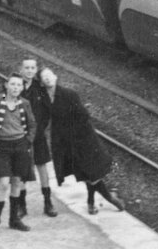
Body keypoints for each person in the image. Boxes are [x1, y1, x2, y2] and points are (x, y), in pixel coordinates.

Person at [41, 68, 123, 214]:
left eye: (49, 75)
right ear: (41, 82)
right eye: (44, 77)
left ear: (55, 77)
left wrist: (72, 130)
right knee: (85, 173)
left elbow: (84, 115)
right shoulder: (45, 97)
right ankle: (91, 202)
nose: (48, 79)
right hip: (65, 142)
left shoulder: (69, 94)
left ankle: (108, 198)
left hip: (82, 139)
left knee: (90, 173)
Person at [0, 73, 35, 238]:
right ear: (6, 85)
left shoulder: (25, 104)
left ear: (22, 88)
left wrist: (28, 141)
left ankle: (14, 220)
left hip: (20, 145)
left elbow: (32, 125)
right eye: (12, 84)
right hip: (1, 147)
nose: (15, 88)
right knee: (3, 183)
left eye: (19, 85)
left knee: (16, 182)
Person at [18, 55, 58, 217]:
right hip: (20, 135)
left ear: (36, 70)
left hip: (38, 134)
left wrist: (41, 128)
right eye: (26, 68)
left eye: (32, 68)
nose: (29, 71)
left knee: (42, 166)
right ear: (21, 69)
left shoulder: (39, 88)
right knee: (20, 169)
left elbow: (48, 110)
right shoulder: (14, 85)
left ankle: (47, 203)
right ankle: (21, 205)